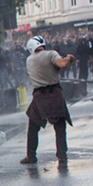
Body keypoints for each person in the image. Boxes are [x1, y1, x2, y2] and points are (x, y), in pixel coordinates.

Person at [20, 36, 75, 166]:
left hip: (39, 95)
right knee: (60, 127)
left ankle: (31, 155)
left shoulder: (29, 60)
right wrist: (70, 58)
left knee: (33, 127)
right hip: (54, 92)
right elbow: (62, 64)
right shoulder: (51, 53)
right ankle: (61, 155)